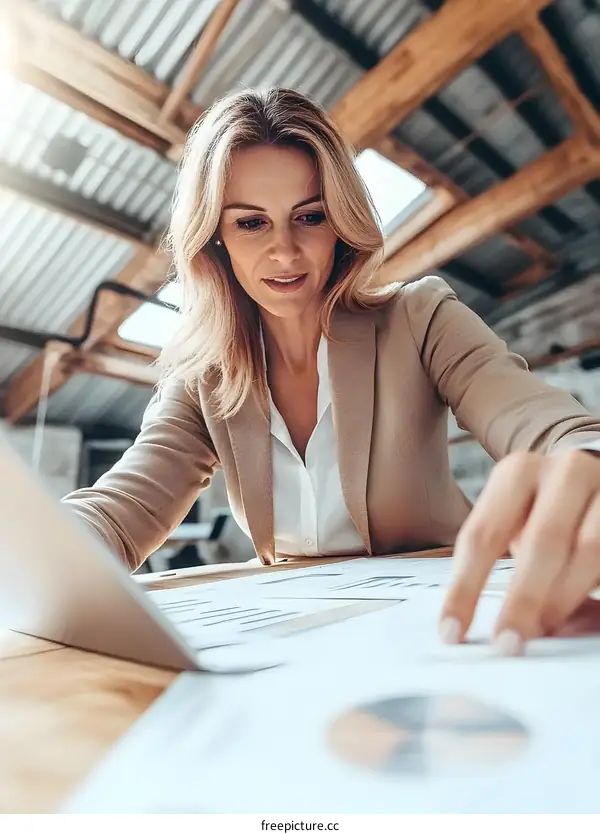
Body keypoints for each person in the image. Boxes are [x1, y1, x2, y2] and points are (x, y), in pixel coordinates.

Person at [62, 87, 600, 656]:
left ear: (339, 221)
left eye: (309, 216)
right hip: (293, 643)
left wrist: (585, 462)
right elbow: (122, 509)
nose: (286, 252)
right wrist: (52, 541)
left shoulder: (421, 319)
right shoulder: (202, 379)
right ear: (213, 236)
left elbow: (548, 425)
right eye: (251, 224)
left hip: (444, 626)